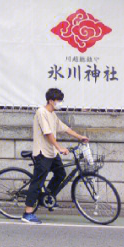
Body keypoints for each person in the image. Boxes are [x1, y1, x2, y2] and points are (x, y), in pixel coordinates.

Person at [22, 88, 89, 225]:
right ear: (51, 101)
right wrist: (60, 147)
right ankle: (27, 213)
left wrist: (80, 137)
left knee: (60, 173)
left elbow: (65, 128)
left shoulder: (52, 114)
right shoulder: (41, 112)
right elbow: (48, 134)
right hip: (42, 153)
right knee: (38, 181)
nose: (60, 103)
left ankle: (47, 197)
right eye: (58, 100)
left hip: (52, 153)